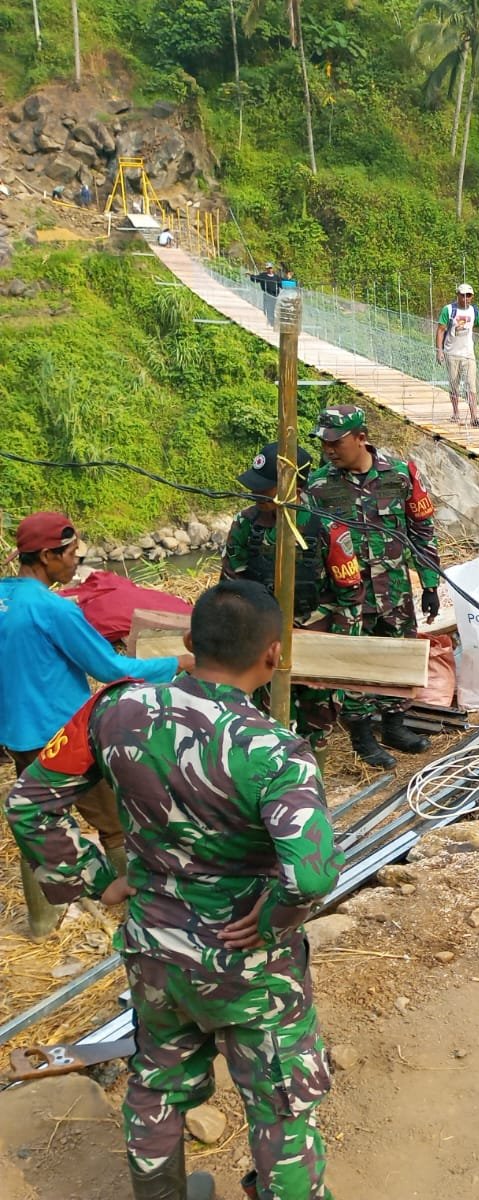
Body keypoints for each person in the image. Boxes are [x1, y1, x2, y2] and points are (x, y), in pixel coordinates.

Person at [6, 581, 344, 1200]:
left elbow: (30, 804)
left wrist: (97, 880)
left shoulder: (113, 710)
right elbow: (314, 873)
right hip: (251, 966)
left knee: (158, 1085)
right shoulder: (275, 752)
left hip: (156, 945)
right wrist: (273, 918)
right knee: (281, 1106)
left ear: (189, 643)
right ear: (274, 654)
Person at [0, 511, 192, 938]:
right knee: (116, 823)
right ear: (48, 555)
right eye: (70, 554)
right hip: (66, 733)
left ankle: (41, 923)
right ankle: (139, 912)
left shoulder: (4, 598)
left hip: (19, 736)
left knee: (38, 821)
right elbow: (109, 667)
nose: (75, 562)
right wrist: (176, 663)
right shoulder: (51, 609)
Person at [304, 405, 442, 767]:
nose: (329, 450)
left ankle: (394, 726)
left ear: (361, 438)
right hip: (348, 598)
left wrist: (429, 583)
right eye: (324, 444)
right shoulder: (320, 487)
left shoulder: (399, 475)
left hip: (394, 589)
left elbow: (421, 530)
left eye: (336, 442)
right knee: (355, 666)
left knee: (399, 657)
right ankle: (362, 737)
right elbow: (311, 547)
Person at [221, 441, 365, 750]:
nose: (256, 494)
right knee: (264, 726)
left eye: (265, 488)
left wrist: (333, 662)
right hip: (263, 644)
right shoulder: (246, 524)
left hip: (318, 640)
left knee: (316, 729)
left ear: (294, 486)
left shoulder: (326, 527)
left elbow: (350, 597)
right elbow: (230, 588)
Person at [434, 282, 479, 427]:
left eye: (469, 295)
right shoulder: (448, 310)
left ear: (472, 296)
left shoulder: (474, 311)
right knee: (454, 385)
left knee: (471, 385)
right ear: (458, 295)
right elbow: (441, 330)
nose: (466, 298)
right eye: (463, 295)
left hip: (468, 353)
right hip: (452, 353)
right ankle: (456, 414)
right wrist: (439, 351)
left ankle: (474, 417)